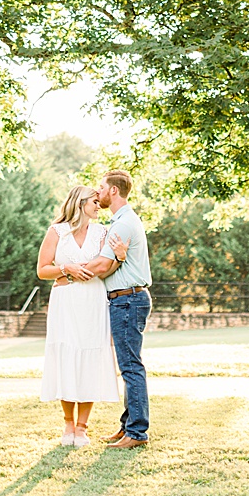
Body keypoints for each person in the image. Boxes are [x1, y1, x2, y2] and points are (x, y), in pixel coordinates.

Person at [36, 183, 128, 444]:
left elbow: (105, 269)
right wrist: (67, 269)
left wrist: (119, 259)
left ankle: (82, 427)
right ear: (80, 204)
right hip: (65, 301)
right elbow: (42, 270)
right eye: (94, 202)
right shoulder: (57, 232)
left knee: (89, 355)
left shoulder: (102, 233)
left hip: (92, 300)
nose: (99, 206)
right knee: (66, 355)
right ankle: (67, 425)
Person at [95, 168, 152, 447]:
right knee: (129, 366)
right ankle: (127, 426)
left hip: (127, 299)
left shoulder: (123, 224)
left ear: (113, 191)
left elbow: (103, 268)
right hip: (126, 299)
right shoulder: (121, 221)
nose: (98, 192)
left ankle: (137, 432)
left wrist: (68, 271)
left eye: (101, 187)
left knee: (131, 367)